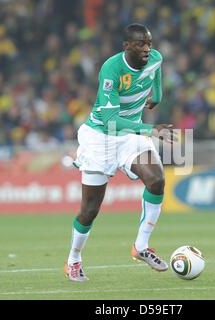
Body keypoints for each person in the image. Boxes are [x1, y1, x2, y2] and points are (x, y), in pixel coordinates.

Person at [64, 23, 176, 281]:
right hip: (101, 137)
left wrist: (156, 95)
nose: (147, 48)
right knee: (90, 210)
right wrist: (151, 130)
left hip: (129, 136)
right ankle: (74, 258)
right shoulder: (111, 69)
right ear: (127, 46)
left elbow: (156, 73)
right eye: (141, 44)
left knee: (157, 180)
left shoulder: (155, 58)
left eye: (149, 42)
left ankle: (141, 247)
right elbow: (112, 119)